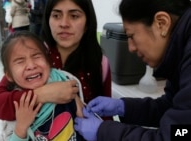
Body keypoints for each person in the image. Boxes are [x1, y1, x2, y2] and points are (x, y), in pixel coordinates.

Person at [74, 0, 191, 141]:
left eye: (131, 36)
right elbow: (172, 107)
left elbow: (176, 135)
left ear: (162, 23)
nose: (131, 48)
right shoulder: (182, 52)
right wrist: (124, 107)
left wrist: (103, 131)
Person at [0, 0, 111, 122]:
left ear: (87, 22)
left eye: (74, 16)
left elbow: (106, 114)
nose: (64, 23)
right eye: (56, 15)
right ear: (47, 20)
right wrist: (42, 95)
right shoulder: (34, 55)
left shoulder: (100, 62)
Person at [0, 31, 85, 140]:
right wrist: (21, 128)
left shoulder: (65, 82)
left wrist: (75, 98)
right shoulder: (14, 107)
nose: (31, 65)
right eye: (20, 61)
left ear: (48, 61)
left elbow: (85, 119)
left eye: (36, 56)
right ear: (9, 75)